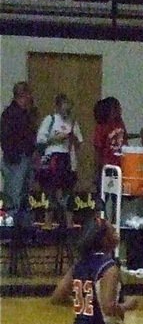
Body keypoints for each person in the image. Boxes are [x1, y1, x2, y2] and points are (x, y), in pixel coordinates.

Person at [35, 94, 84, 226]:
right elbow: (40, 141)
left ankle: (69, 224)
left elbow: (79, 143)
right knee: (51, 192)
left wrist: (71, 137)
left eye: (69, 106)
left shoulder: (73, 123)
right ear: (58, 106)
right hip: (52, 160)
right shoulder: (50, 120)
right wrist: (55, 139)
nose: (66, 109)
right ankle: (48, 222)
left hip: (68, 161)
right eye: (64, 106)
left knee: (68, 193)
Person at [1, 81, 37, 226]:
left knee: (24, 195)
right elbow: (5, 136)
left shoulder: (24, 114)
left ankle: (22, 226)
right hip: (16, 159)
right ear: (23, 95)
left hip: (24, 157)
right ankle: (10, 226)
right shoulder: (11, 114)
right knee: (13, 195)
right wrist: (12, 155)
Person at [91, 96, 127, 190]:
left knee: (119, 193)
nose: (120, 109)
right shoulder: (101, 127)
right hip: (107, 165)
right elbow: (98, 148)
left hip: (121, 164)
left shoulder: (120, 123)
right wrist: (97, 170)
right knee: (105, 192)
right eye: (117, 107)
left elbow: (124, 138)